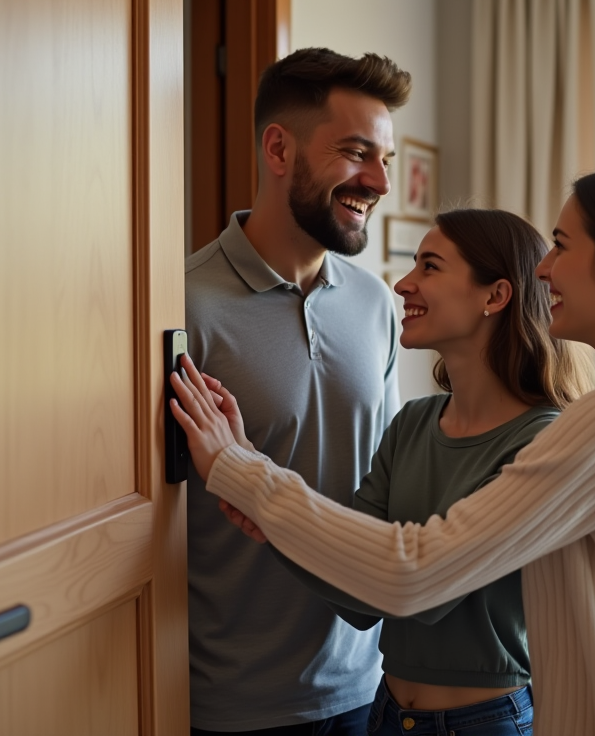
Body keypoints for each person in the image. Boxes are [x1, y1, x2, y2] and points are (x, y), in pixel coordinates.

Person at [173, 163, 595, 735]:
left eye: (563, 247)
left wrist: (238, 467)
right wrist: (272, 514)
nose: (543, 271)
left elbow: (412, 573)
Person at [265, 208, 590, 735]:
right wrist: (270, 521)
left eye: (430, 267)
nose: (403, 284)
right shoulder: (413, 423)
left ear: (495, 296)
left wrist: (267, 499)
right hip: (387, 713)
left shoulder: (544, 440)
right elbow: (358, 596)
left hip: (486, 723)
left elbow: (418, 591)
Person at [182, 47, 410, 735]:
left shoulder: (375, 304)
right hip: (233, 705)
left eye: (386, 160)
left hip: (371, 686)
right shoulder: (182, 305)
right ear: (279, 149)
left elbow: (385, 484)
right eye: (355, 152)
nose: (377, 181)